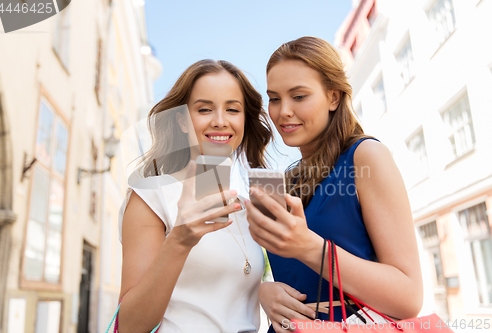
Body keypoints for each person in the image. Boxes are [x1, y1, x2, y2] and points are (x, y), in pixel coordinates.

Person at [244, 37, 423, 332]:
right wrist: (264, 292)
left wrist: (310, 248)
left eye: (299, 96)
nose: (283, 111)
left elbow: (409, 297)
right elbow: (291, 276)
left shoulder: (366, 156)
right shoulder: (286, 182)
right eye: (274, 98)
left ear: (333, 97)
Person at [116, 59, 273, 333]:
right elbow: (130, 326)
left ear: (244, 120)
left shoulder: (249, 209)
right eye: (204, 109)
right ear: (182, 121)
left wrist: (268, 292)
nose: (220, 121)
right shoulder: (151, 196)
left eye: (233, 109)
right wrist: (179, 240)